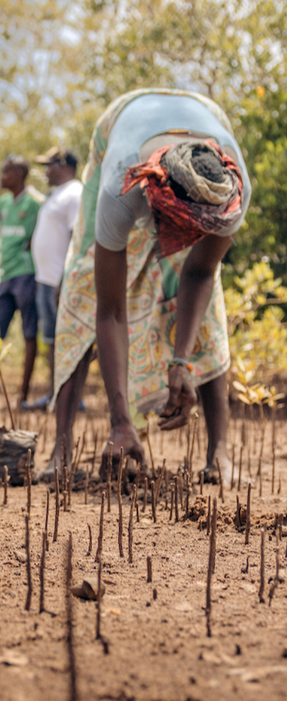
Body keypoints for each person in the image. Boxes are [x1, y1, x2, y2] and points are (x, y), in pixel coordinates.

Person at [43, 89, 250, 484]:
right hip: (120, 121)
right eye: (183, 230)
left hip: (203, 112)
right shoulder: (119, 190)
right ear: (158, 201)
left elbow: (199, 274)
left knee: (208, 301)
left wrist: (181, 362)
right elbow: (110, 311)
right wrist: (121, 421)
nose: (188, 242)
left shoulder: (232, 193)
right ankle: (60, 448)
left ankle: (219, 452)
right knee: (82, 286)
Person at [22, 147, 82, 409]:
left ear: (63, 165)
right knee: (52, 340)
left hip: (60, 282)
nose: (45, 171)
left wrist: (65, 279)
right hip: (45, 281)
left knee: (66, 340)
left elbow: (77, 238)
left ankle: (71, 398)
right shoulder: (56, 195)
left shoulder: (74, 193)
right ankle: (55, 394)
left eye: (49, 165)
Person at [0, 156, 42, 402]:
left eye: (6, 172)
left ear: (20, 174)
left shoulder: (34, 203)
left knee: (29, 333)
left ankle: (23, 396)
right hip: (6, 275)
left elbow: (38, 236)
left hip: (26, 274)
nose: (2, 177)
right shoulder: (2, 203)